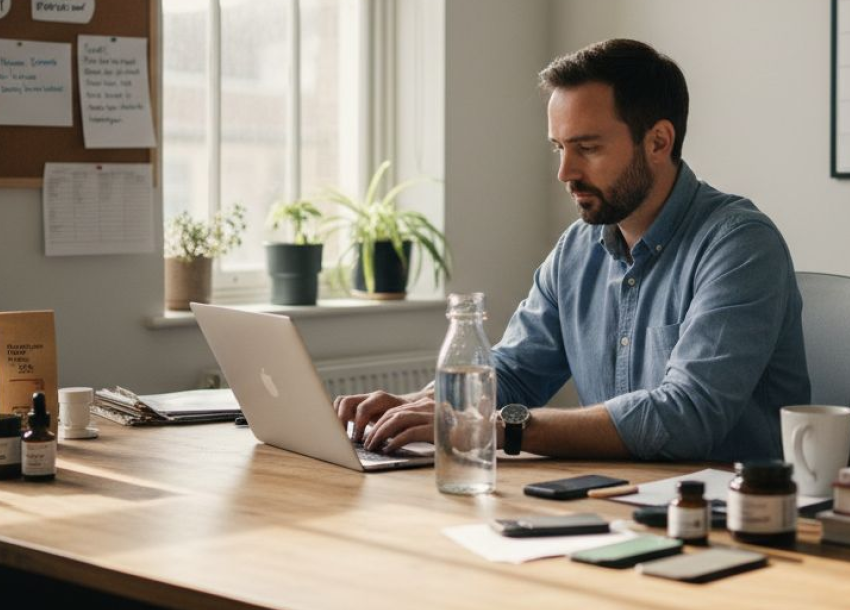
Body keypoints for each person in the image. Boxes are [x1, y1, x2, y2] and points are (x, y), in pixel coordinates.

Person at [334, 38, 809, 462]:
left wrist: (499, 429)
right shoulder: (578, 248)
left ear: (658, 141)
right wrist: (427, 405)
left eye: (587, 147)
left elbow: (685, 417)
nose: (565, 172)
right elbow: (516, 372)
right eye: (559, 147)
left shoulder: (740, 245)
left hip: (729, 519)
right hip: (611, 501)